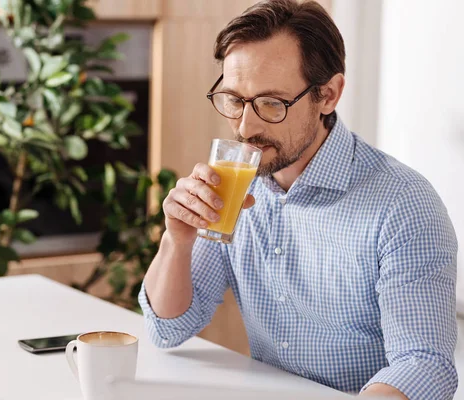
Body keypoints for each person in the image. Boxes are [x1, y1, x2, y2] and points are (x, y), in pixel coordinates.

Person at [138, 1, 459, 399]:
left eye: (271, 103)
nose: (245, 126)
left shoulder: (402, 205)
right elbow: (168, 328)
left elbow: (425, 364)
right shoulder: (239, 186)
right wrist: (177, 240)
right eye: (234, 99)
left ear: (328, 95)